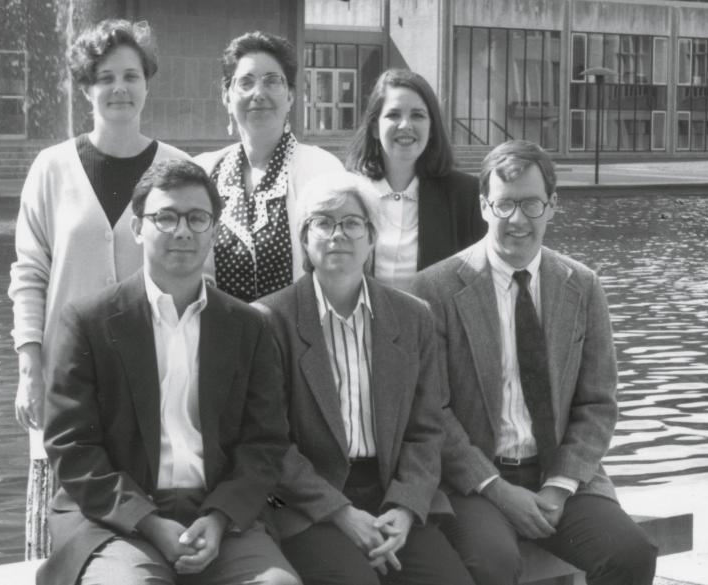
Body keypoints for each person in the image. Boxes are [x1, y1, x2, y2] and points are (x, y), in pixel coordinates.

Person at [36, 159, 299, 585]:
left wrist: (217, 520)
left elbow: (265, 443)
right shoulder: (87, 322)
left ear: (214, 230)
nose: (182, 231)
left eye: (197, 218)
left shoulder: (248, 326)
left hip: (221, 512)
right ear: (138, 228)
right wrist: (151, 523)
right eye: (165, 217)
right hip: (114, 516)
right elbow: (72, 447)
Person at [410, 140, 658, 585]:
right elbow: (433, 412)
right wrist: (498, 491)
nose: (518, 220)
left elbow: (598, 404)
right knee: (492, 566)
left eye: (531, 204)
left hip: (561, 477)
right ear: (484, 206)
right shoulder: (435, 290)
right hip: (476, 484)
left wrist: (559, 487)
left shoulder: (583, 286)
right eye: (504, 205)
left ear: (553, 206)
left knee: (631, 554)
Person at [7, 19, 189, 557]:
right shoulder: (51, 168)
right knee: (62, 505)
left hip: (154, 372)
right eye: (105, 76)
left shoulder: (176, 168)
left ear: (147, 83)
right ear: (85, 86)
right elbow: (29, 272)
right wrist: (28, 368)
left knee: (147, 506)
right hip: (68, 372)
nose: (119, 88)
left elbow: (195, 273)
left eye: (131, 75)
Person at [254, 172, 474, 585]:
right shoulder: (270, 321)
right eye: (323, 222)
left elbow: (426, 430)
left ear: (372, 238)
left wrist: (405, 509)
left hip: (391, 492)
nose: (338, 234)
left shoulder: (412, 317)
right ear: (304, 239)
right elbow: (270, 442)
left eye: (352, 223)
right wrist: (340, 513)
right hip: (307, 503)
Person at [195, 31, 343, 303]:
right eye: (246, 82)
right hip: (223, 337)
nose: (258, 93)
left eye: (272, 81)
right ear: (226, 96)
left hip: (297, 338)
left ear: (290, 96)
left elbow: (339, 268)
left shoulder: (323, 171)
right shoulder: (204, 172)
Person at [345, 68, 485, 292]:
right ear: (374, 127)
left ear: (431, 129)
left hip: (436, 325)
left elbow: (481, 283)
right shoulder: (348, 193)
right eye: (393, 115)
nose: (405, 125)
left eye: (417, 115)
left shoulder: (465, 195)